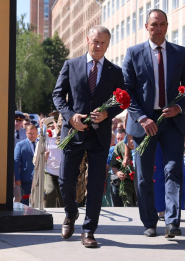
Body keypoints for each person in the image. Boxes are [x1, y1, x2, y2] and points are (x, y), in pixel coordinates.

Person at [52, 25, 125, 248]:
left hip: (100, 136)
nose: (98, 46)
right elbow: (57, 95)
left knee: (95, 184)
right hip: (73, 132)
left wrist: (107, 113)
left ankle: (88, 231)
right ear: (87, 40)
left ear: (108, 44)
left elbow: (122, 101)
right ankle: (71, 213)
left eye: (103, 42)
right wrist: (70, 115)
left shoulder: (115, 71)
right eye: (95, 41)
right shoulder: (71, 65)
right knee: (65, 181)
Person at [122, 9, 185, 238]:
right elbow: (126, 91)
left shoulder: (180, 53)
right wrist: (142, 118)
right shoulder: (133, 53)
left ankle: (172, 222)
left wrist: (179, 107)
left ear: (167, 26)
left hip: (172, 122)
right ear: (146, 27)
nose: (158, 29)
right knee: (143, 176)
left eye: (162, 24)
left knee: (172, 170)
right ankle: (149, 222)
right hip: (144, 123)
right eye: (154, 25)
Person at [110, 129, 136, 207]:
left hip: (140, 181)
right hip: (126, 181)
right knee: (128, 205)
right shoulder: (119, 146)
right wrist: (118, 173)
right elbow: (114, 165)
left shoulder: (142, 142)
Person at [14, 124, 38, 205]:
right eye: (30, 133)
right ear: (26, 133)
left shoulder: (41, 144)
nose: (32, 135)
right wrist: (17, 178)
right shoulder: (20, 145)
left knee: (38, 201)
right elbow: (16, 162)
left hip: (40, 179)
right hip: (26, 179)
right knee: (26, 201)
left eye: (34, 133)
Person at [43, 117, 64, 208]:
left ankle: (64, 217)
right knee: (50, 191)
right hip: (49, 171)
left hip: (62, 171)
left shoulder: (66, 136)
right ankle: (47, 213)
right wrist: (43, 156)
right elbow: (36, 156)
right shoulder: (45, 137)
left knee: (63, 197)